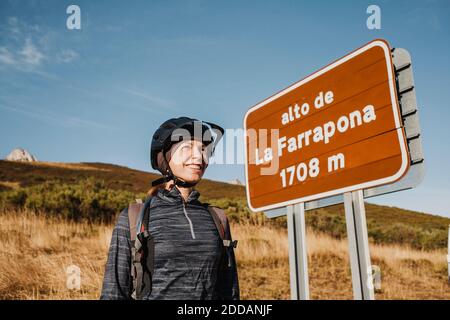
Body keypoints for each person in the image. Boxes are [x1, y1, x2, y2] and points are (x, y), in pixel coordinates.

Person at [100, 117, 239, 300]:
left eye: (203, 149)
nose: (199, 157)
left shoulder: (217, 218)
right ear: (164, 157)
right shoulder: (135, 217)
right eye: (187, 147)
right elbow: (113, 293)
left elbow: (229, 291)